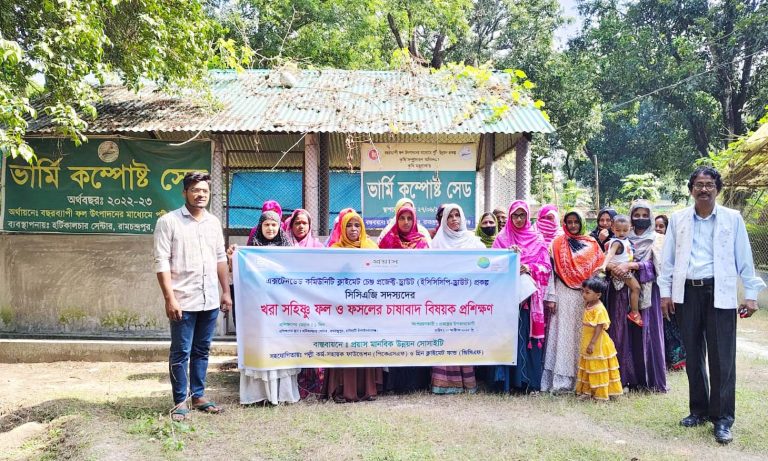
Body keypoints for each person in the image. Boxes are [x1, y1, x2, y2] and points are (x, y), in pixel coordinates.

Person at [659, 166, 766, 444]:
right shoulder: (678, 219)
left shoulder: (733, 219)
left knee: (722, 358)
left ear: (717, 189)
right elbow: (668, 260)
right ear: (691, 189)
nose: (704, 189)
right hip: (688, 293)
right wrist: (665, 293)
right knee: (692, 355)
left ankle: (722, 418)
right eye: (698, 184)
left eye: (709, 184)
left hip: (720, 291)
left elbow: (744, 258)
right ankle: (699, 410)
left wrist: (751, 294)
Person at [153, 172, 232, 421]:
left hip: (209, 299)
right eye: (196, 190)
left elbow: (220, 258)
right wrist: (169, 298)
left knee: (202, 350)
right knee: (181, 352)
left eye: (205, 191)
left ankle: (198, 395)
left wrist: (226, 291)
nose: (201, 195)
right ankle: (179, 401)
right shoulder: (169, 222)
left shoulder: (213, 223)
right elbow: (161, 262)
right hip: (183, 300)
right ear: (185, 192)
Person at [604, 200, 668, 393]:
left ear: (650, 216)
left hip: (648, 292)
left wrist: (634, 266)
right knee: (622, 334)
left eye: (644, 215)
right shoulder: (622, 236)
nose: (640, 219)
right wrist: (614, 267)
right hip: (621, 291)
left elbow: (661, 268)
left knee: (646, 334)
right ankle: (622, 379)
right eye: (636, 215)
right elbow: (607, 260)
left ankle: (648, 381)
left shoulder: (658, 239)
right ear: (630, 217)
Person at [240, 211, 302, 405]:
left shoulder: (288, 250)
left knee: (280, 346)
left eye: (274, 225)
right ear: (260, 227)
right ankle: (259, 394)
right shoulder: (249, 252)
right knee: (261, 345)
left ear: (280, 228)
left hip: (281, 309)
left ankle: (281, 394)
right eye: (267, 225)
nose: (270, 229)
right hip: (258, 309)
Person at [490, 201, 552, 392]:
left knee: (527, 337)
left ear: (527, 217)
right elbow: (491, 266)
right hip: (507, 299)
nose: (518, 219)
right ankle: (508, 383)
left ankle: (528, 382)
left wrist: (529, 268)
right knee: (508, 337)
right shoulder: (501, 239)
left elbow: (546, 267)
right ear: (509, 217)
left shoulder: (537, 239)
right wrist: (510, 262)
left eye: (522, 215)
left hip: (529, 299)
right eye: (515, 216)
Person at [542, 210, 605, 394]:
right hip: (562, 293)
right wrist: (551, 297)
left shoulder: (592, 244)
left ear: (582, 223)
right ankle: (561, 381)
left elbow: (599, 270)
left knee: (582, 334)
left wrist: (593, 294)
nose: (572, 226)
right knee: (562, 336)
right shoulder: (557, 243)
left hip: (584, 296)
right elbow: (551, 273)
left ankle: (582, 380)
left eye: (576, 222)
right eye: (569, 222)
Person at [324, 211, 384, 402]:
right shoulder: (334, 250)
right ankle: (342, 390)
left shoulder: (372, 249)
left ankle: (367, 389)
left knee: (364, 345)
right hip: (342, 308)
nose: (353, 229)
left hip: (365, 307)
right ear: (342, 228)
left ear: (362, 228)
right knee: (344, 346)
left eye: (357, 225)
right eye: (349, 225)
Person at [430, 204, 484, 394]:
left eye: (457, 215)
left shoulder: (474, 242)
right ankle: (444, 384)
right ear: (443, 219)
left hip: (467, 299)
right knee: (445, 338)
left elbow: (486, 262)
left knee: (464, 337)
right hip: (444, 300)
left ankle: (467, 383)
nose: (454, 219)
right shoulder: (436, 244)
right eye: (450, 216)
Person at [378, 205, 431, 392]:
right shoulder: (387, 241)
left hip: (417, 299)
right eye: (402, 218)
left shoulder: (423, 242)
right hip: (393, 299)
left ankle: (416, 383)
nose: (406, 222)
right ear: (396, 220)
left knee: (415, 337)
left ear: (415, 220)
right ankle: (394, 384)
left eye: (410, 218)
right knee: (395, 339)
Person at [282, 209, 325, 398]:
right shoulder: (282, 247)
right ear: (291, 226)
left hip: (313, 305)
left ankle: (315, 384)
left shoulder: (318, 247)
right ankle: (294, 384)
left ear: (310, 226)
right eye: (297, 223)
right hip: (289, 304)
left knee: (312, 342)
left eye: (304, 223)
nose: (301, 226)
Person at [576, 277, 623, 401]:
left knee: (597, 366)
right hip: (587, 339)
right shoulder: (589, 304)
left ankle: (600, 394)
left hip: (597, 342)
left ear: (598, 295)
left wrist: (592, 343)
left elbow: (599, 327)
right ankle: (587, 391)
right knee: (588, 366)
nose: (584, 294)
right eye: (583, 291)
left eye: (587, 292)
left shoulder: (599, 309)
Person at [598, 215, 643, 327]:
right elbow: (609, 255)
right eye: (618, 230)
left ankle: (634, 312)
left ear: (630, 228)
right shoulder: (617, 242)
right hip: (620, 270)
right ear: (612, 228)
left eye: (625, 230)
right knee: (636, 288)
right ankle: (635, 313)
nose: (621, 233)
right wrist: (604, 265)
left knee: (634, 289)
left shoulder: (626, 241)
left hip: (624, 269)